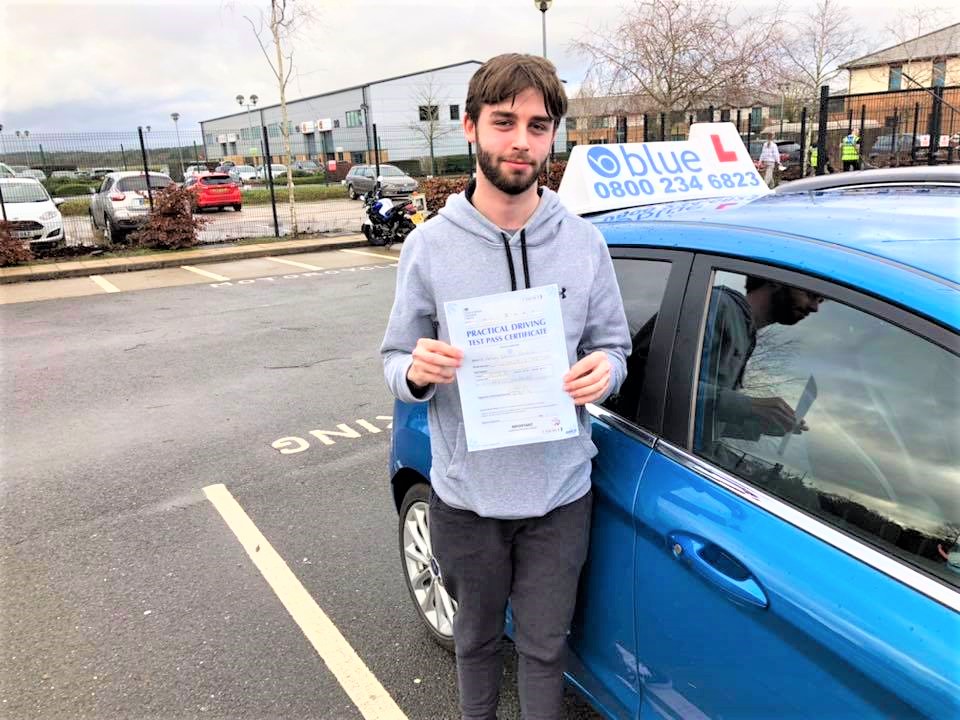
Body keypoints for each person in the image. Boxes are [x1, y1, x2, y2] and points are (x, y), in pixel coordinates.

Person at [380, 53, 630, 720]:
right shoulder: (428, 248)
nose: (522, 141)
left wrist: (605, 371)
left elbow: (614, 346)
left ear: (553, 137)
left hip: (559, 497)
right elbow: (393, 360)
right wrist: (414, 372)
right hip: (467, 499)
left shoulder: (584, 243)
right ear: (470, 128)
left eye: (539, 126)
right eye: (504, 122)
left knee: (547, 652)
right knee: (477, 644)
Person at [698, 276, 824, 446]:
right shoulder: (717, 305)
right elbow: (659, 377)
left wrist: (758, 423)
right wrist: (750, 406)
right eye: (810, 294)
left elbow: (699, 420)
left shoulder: (746, 335)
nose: (815, 307)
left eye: (820, 300)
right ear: (776, 279)